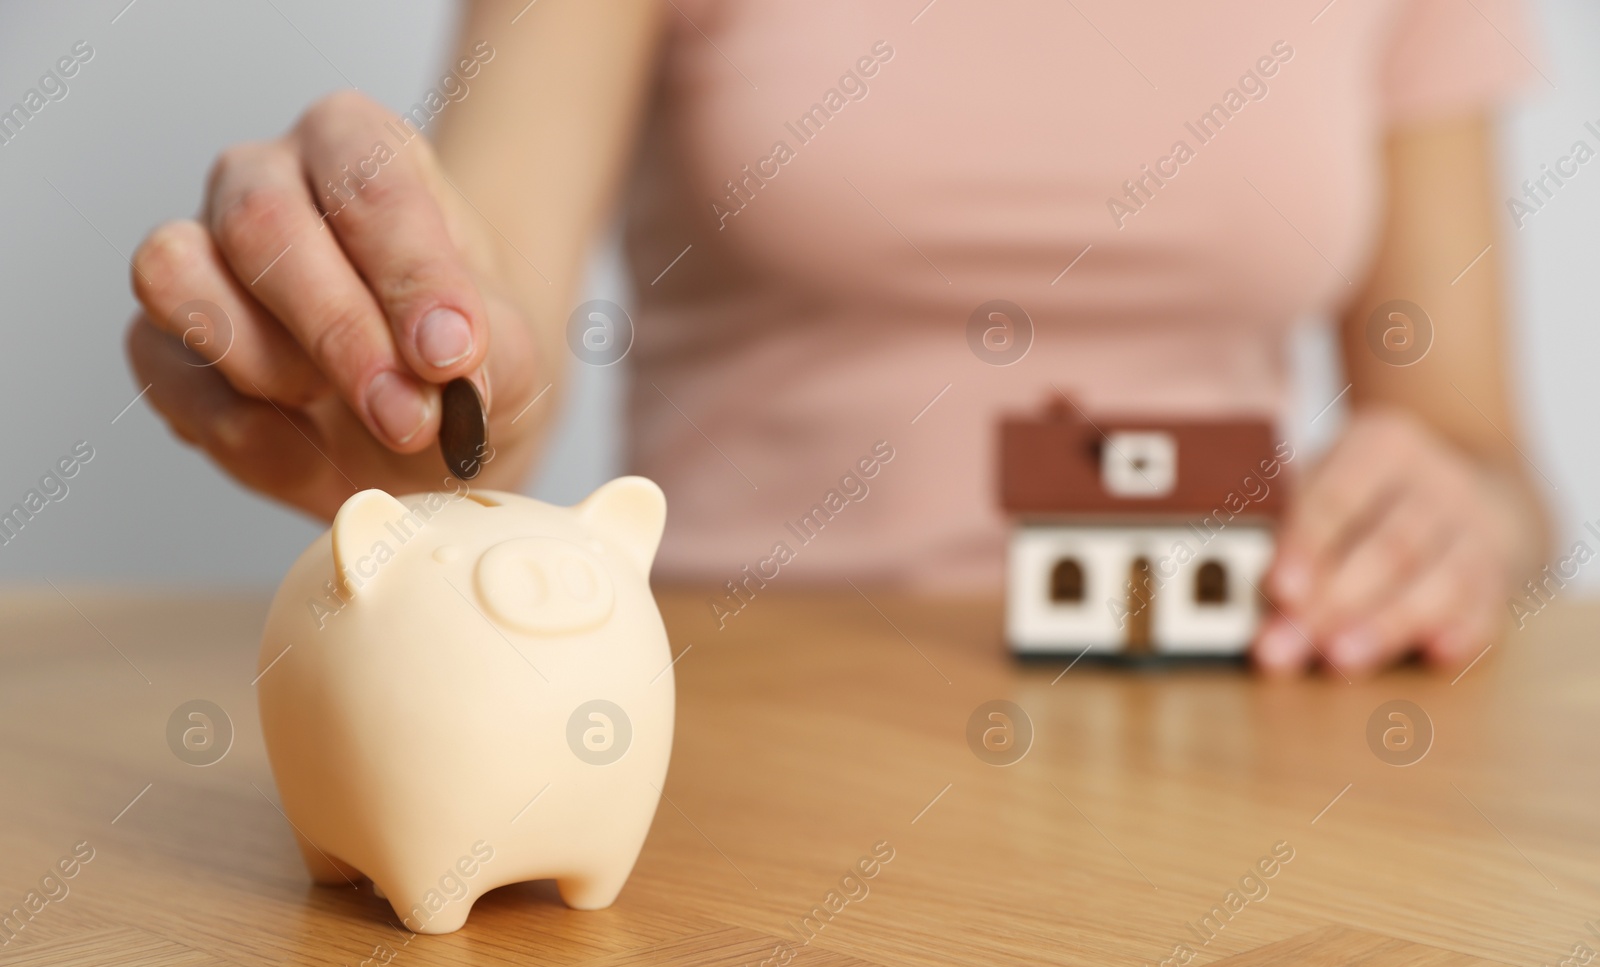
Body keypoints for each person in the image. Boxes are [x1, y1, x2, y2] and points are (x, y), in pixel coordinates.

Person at [124, 0, 1549, 676]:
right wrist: (392, 364)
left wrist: (1453, 523)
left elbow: (1489, 465)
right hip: (741, 732)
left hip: (1240, 727)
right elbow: (490, 340)